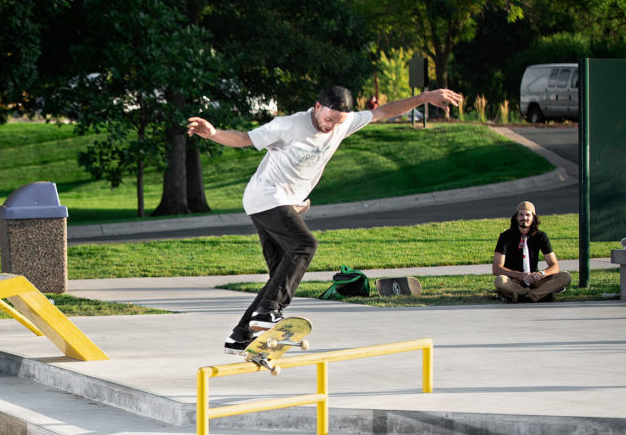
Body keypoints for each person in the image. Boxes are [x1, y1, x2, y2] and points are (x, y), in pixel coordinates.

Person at [187, 84, 462, 352]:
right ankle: (267, 312)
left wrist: (425, 97)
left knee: (279, 275)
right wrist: (213, 134)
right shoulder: (289, 125)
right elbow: (245, 138)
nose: (331, 127)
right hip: (267, 198)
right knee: (305, 245)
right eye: (328, 119)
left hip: (278, 204)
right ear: (317, 107)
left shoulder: (344, 123)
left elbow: (384, 112)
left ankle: (240, 335)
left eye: (337, 123)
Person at [492, 201, 571, 302]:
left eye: (528, 215)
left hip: (536, 280)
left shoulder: (541, 236)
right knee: (500, 280)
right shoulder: (505, 236)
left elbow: (554, 266)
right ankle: (539, 295)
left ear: (533, 218)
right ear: (516, 217)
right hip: (515, 281)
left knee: (566, 276)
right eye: (521, 214)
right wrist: (521, 275)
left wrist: (540, 274)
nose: (524, 218)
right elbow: (496, 269)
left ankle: (528, 296)